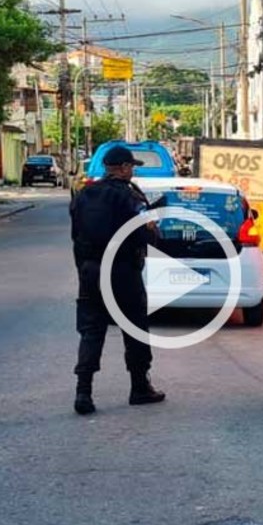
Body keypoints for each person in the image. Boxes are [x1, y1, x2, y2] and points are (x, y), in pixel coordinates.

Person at [69, 146, 165, 416]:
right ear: (122, 168)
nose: (132, 170)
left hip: (90, 273)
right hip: (123, 272)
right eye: (131, 166)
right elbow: (149, 236)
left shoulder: (83, 195)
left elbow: (76, 237)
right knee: (134, 329)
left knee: (91, 331)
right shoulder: (130, 197)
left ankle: (83, 392)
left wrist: (84, 270)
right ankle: (139, 388)